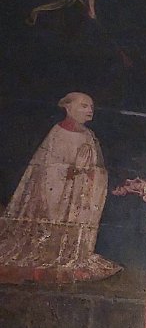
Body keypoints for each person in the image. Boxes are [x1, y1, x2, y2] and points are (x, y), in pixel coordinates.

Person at [0, 92, 120, 282]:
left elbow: (98, 169)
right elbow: (46, 169)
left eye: (91, 106)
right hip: (57, 194)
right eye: (84, 106)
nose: (89, 110)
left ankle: (72, 257)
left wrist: (90, 174)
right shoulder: (57, 133)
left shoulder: (89, 136)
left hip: (79, 195)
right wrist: (72, 171)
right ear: (68, 107)